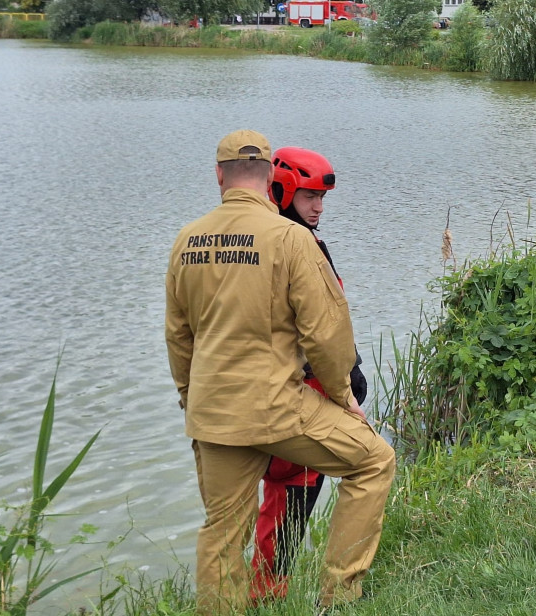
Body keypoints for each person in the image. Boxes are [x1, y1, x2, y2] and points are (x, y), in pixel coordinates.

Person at [165, 130, 395, 615]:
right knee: (373, 462)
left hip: (214, 414)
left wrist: (192, 398)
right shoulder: (292, 239)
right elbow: (326, 333)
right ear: (271, 177)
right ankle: (338, 601)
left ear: (218, 176)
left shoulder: (187, 240)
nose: (317, 206)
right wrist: (341, 397)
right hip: (278, 410)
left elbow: (178, 337)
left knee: (222, 533)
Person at [250, 147, 368, 602]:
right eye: (309, 197)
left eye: (322, 198)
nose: (319, 207)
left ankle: (281, 592)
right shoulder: (286, 247)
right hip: (305, 400)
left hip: (321, 395)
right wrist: (342, 389)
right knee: (289, 501)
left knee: (292, 503)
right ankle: (274, 595)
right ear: (281, 193)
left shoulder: (301, 242)